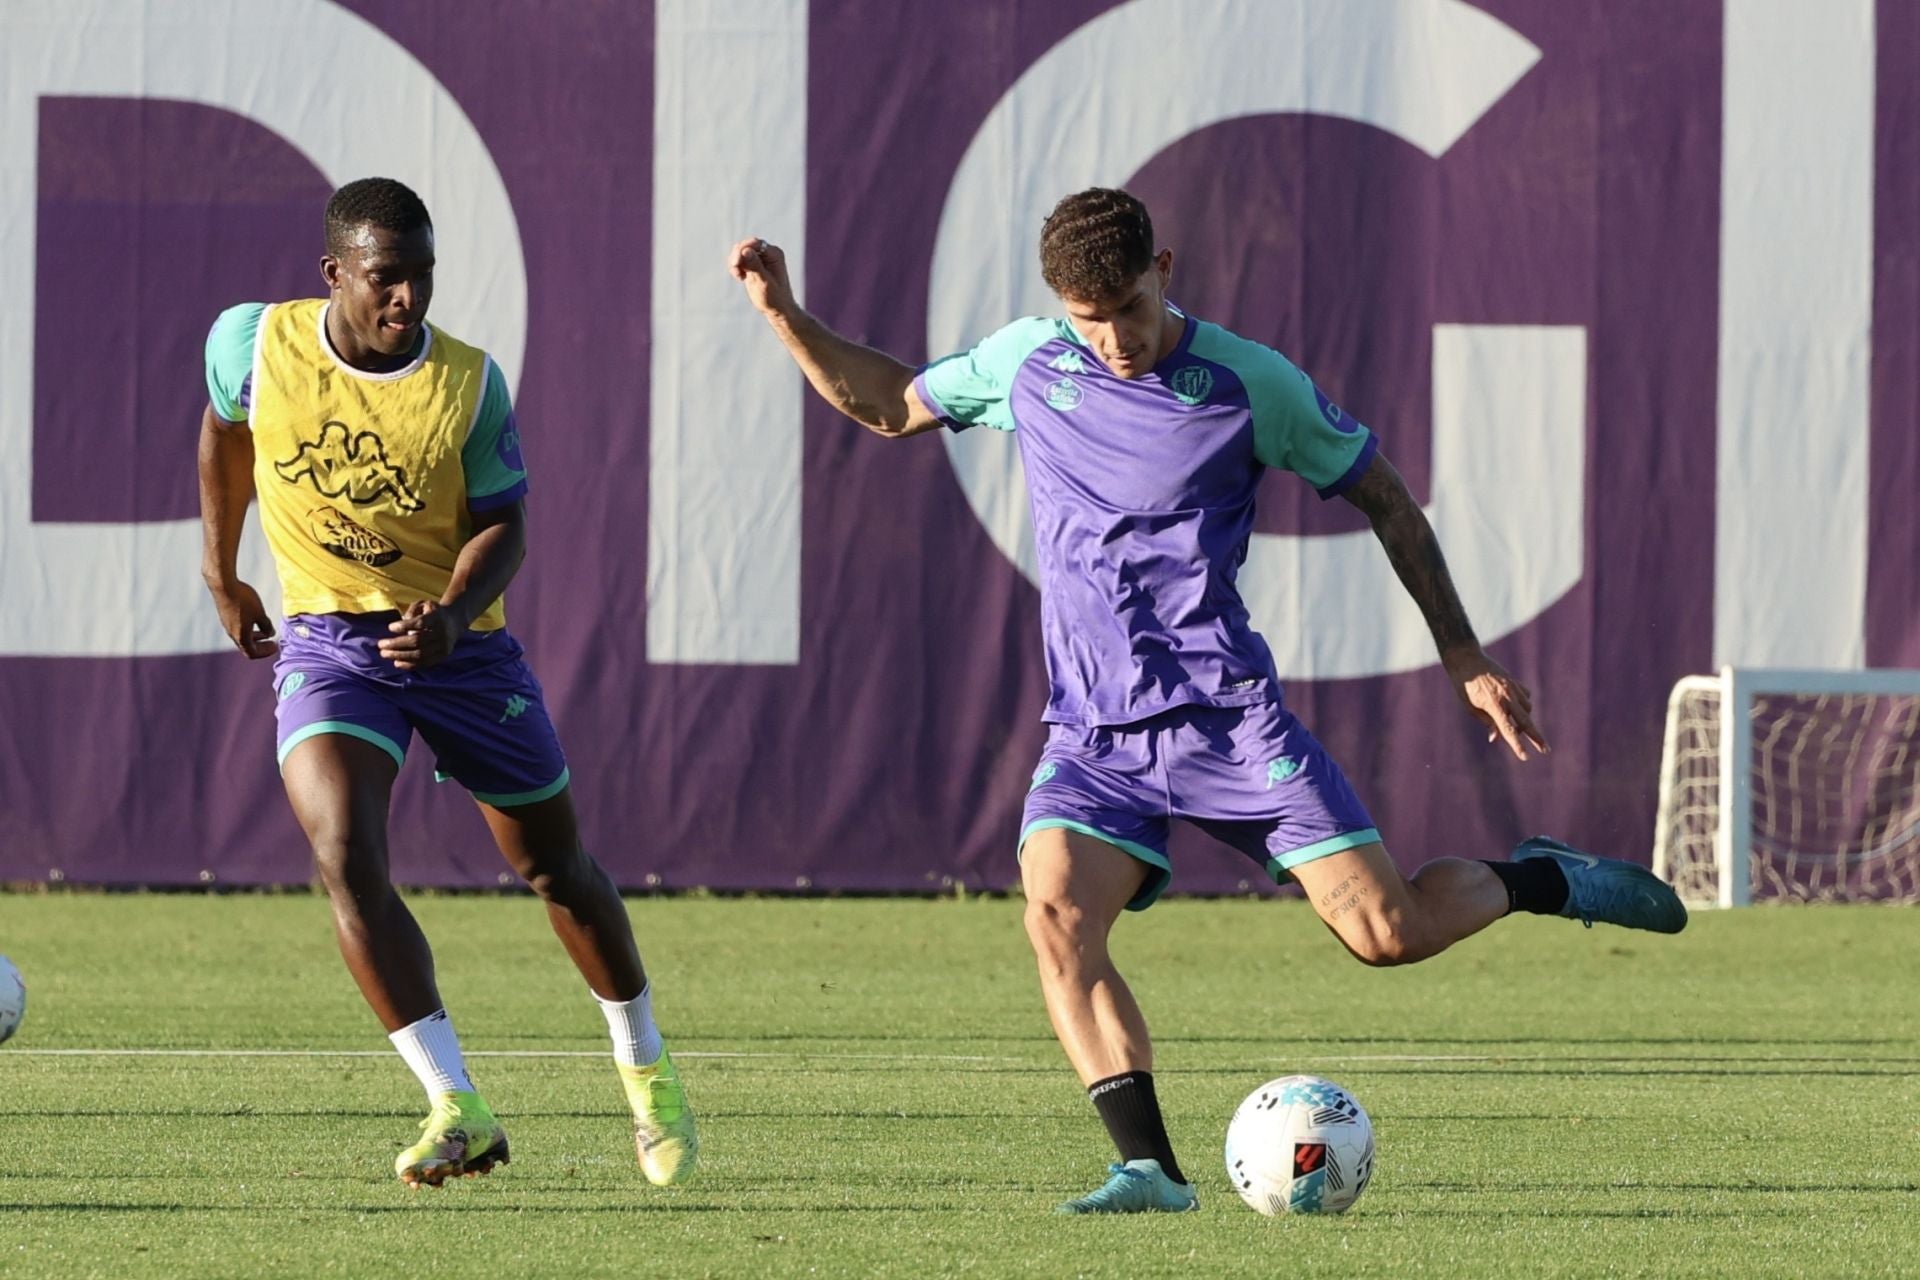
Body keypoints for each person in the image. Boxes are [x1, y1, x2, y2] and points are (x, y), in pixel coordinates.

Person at [729, 187, 1685, 1214]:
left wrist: (1464, 654)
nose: (1115, 341)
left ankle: (1539, 877)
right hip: (1093, 731)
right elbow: (888, 403)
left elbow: (1388, 497)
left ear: (1165, 269)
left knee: (1386, 933)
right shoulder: (1030, 362)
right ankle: (1149, 1167)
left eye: (1130, 311)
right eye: (1089, 320)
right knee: (1054, 908)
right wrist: (784, 312)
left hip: (1228, 721)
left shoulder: (1250, 382)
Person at [198, 177, 697, 1189]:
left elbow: (505, 525)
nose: (408, 299)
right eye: (387, 278)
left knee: (559, 869)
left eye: (423, 275)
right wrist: (221, 566)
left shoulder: (467, 383)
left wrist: (455, 617)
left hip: (463, 652)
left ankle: (646, 1066)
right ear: (334, 272)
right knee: (345, 853)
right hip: (335, 644)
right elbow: (223, 436)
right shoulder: (251, 345)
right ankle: (454, 1100)